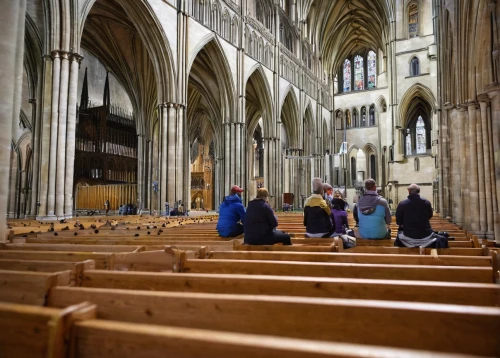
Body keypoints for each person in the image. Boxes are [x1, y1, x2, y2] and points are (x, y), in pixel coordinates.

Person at [395, 183, 449, 248]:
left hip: (408, 236)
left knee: (399, 235)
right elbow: (430, 216)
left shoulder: (402, 204)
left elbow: (398, 222)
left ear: (408, 191)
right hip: (426, 236)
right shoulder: (427, 202)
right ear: (419, 191)